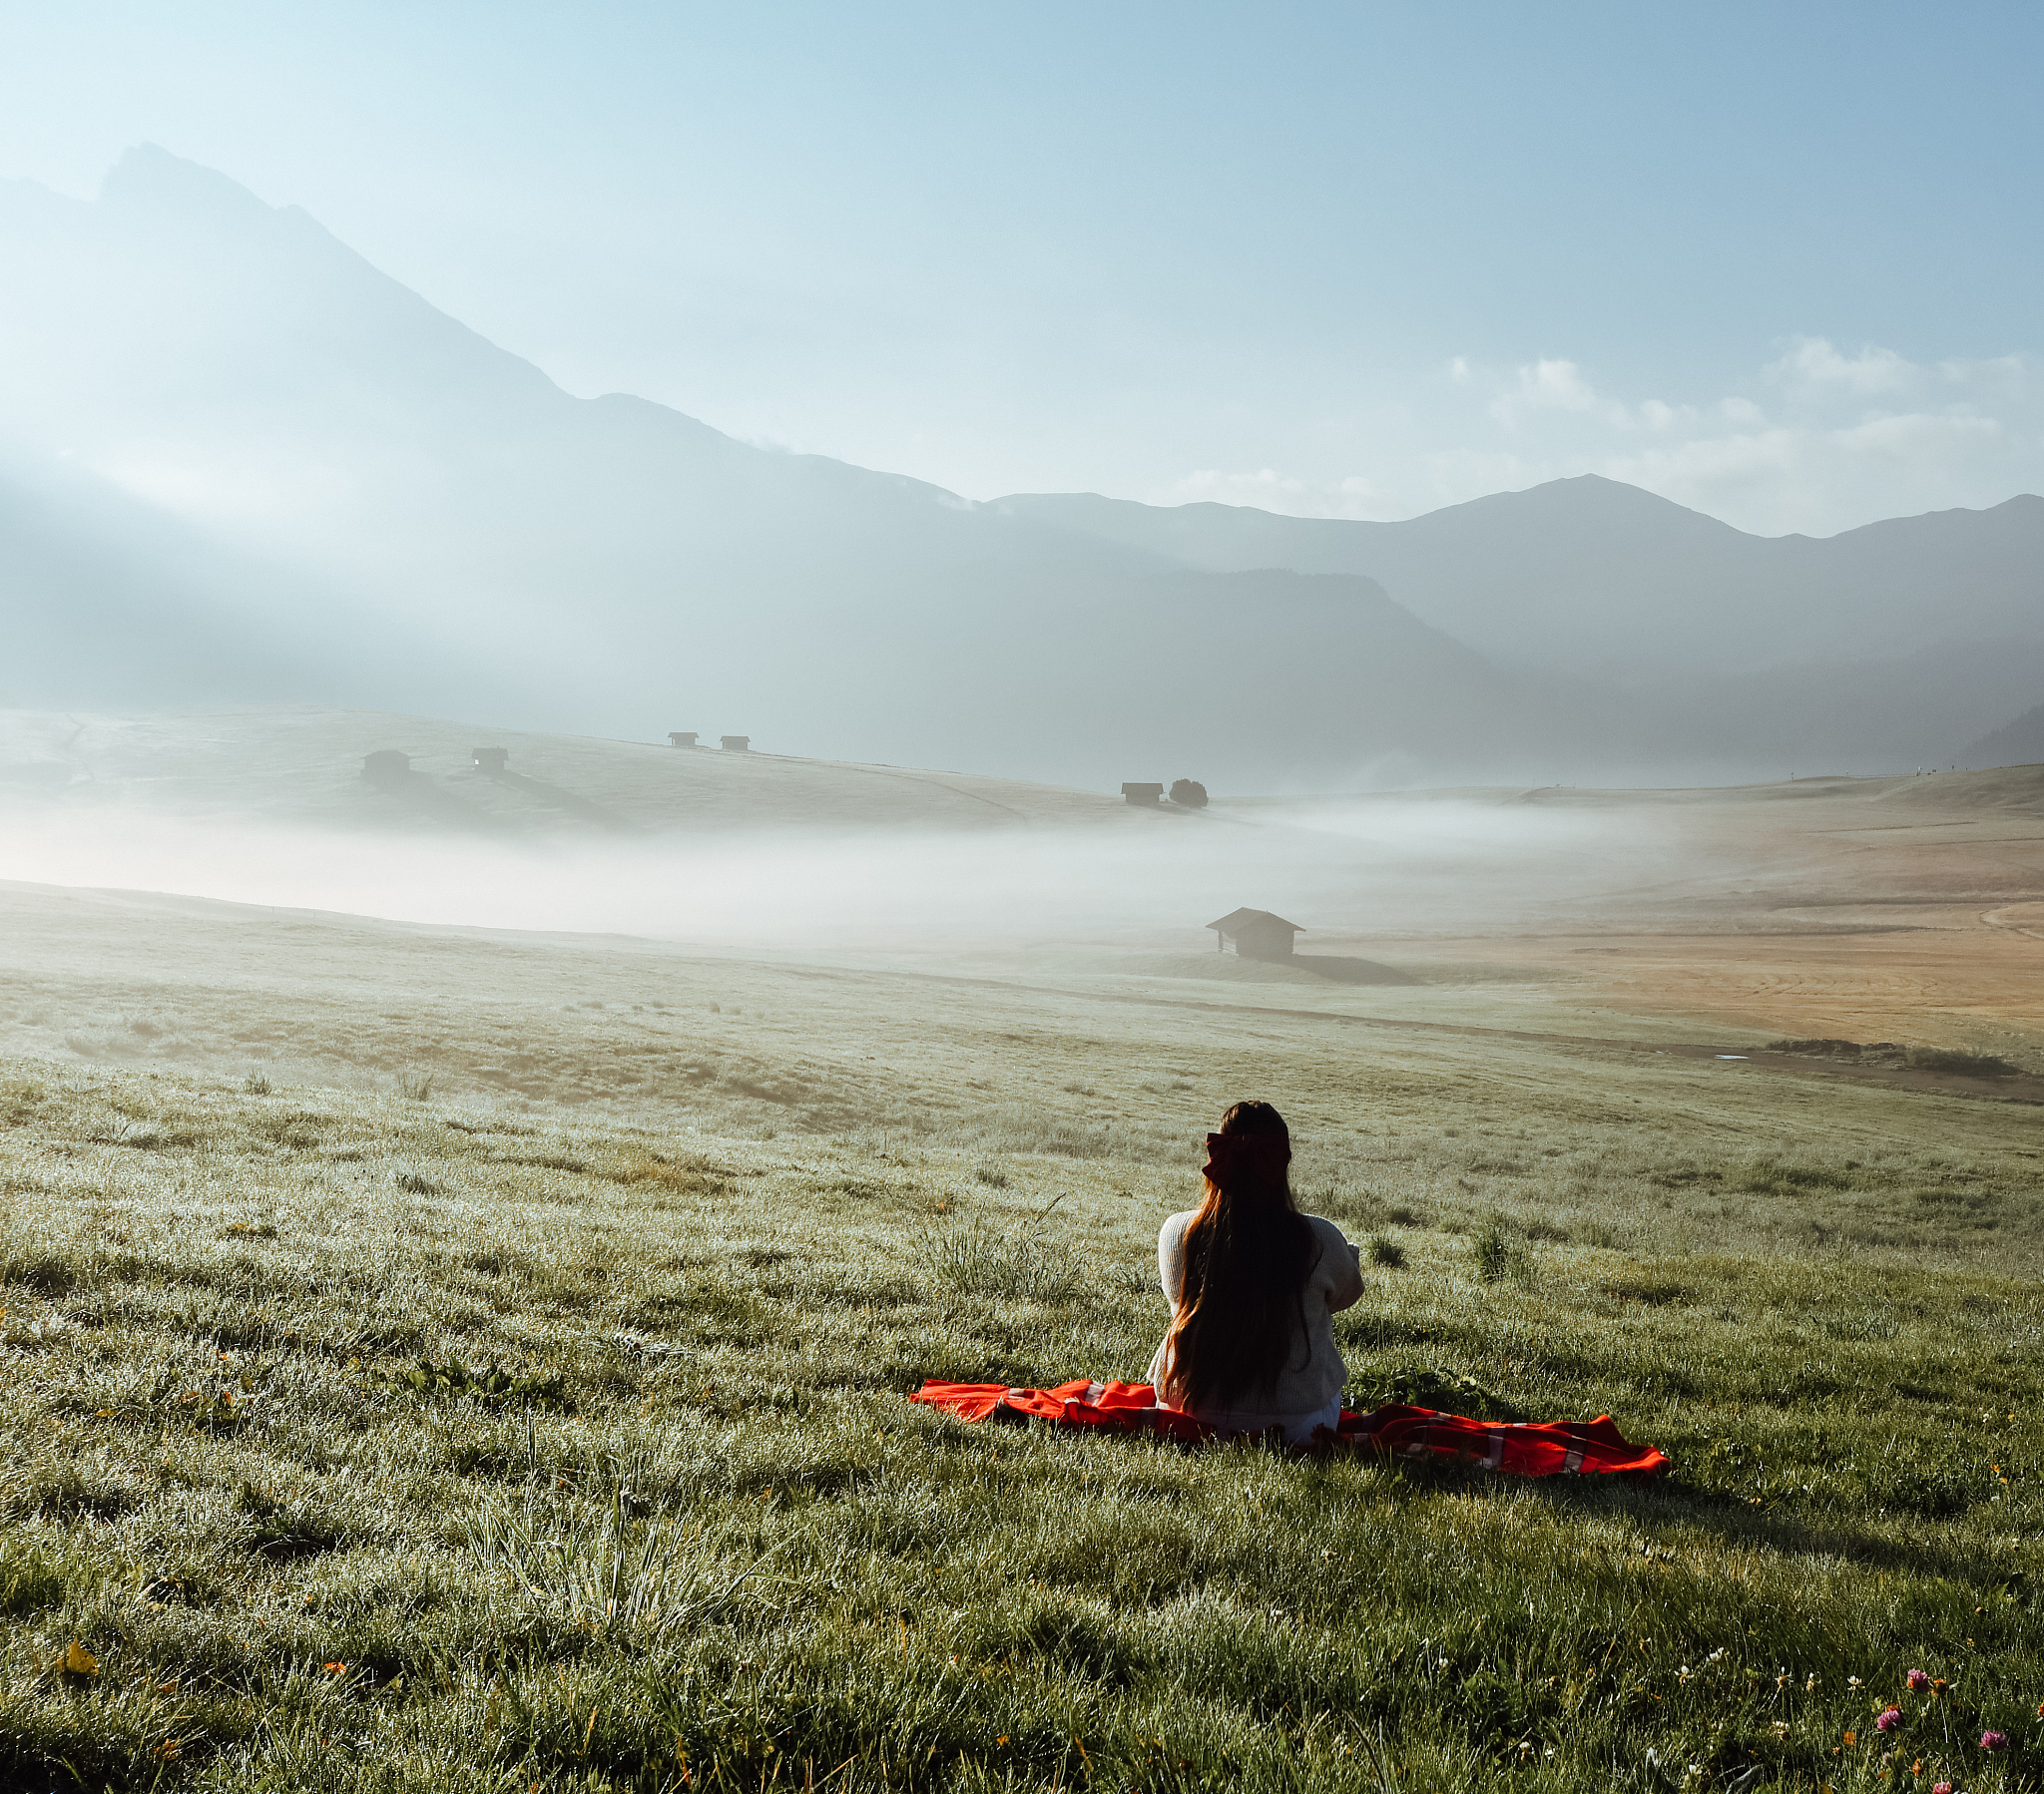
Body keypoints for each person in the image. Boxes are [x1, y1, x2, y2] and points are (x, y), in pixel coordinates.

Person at [1146, 1100, 1364, 1444]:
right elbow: (1346, 1294)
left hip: (1187, 1412)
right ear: (1283, 1164)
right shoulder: (1320, 1239)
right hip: (1298, 1426)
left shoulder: (1176, 1232)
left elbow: (1178, 1298)